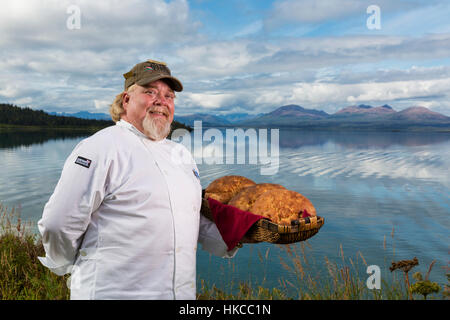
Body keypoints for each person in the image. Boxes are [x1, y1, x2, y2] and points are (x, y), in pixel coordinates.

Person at [37, 59, 239, 300]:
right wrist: (71, 265)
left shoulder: (181, 155)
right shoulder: (100, 148)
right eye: (150, 92)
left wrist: (240, 232)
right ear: (126, 100)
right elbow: (58, 223)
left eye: (168, 96)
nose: (161, 102)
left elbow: (191, 218)